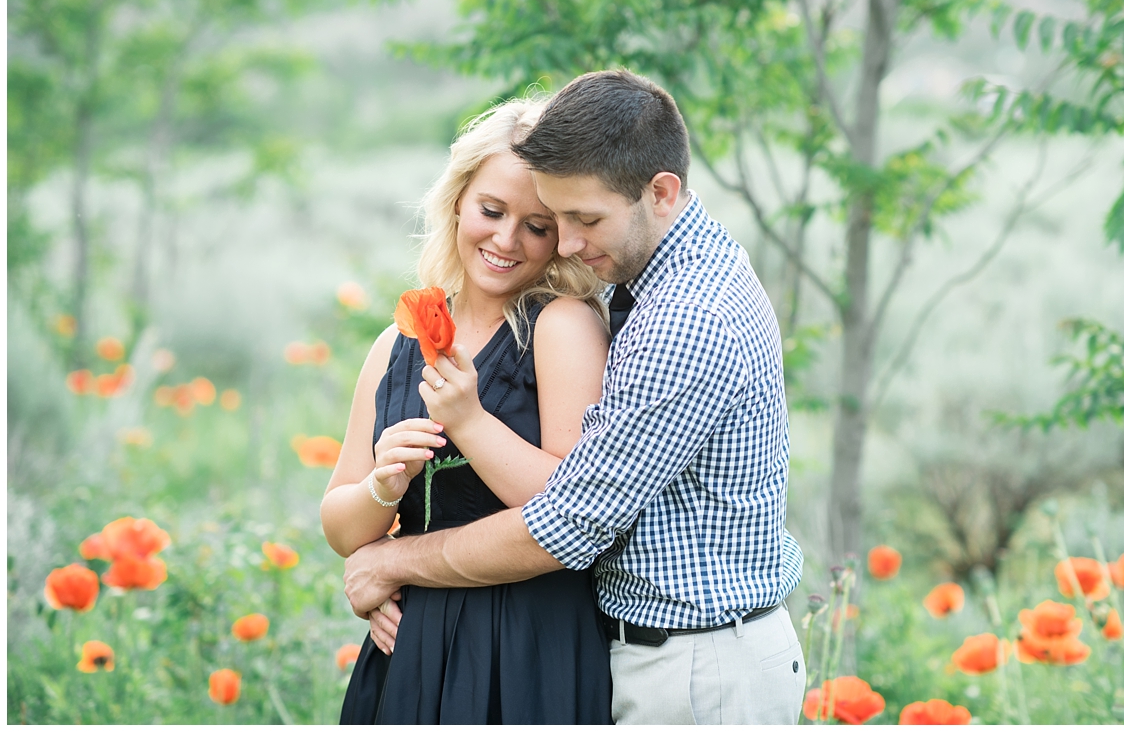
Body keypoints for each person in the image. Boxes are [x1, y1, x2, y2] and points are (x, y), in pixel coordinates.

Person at [343, 69, 809, 724]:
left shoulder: (685, 318)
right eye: (556, 218)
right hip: (665, 658)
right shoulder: (657, 278)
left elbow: (564, 526)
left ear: (662, 192)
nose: (564, 244)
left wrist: (390, 559)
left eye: (583, 218)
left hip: (698, 672)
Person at [321, 96, 616, 723]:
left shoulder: (561, 328)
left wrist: (469, 421)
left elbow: (571, 510)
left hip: (528, 644)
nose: (506, 239)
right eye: (491, 210)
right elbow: (341, 528)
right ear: (457, 201)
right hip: (411, 644)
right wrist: (382, 486)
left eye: (536, 226)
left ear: (560, 235)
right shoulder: (397, 341)